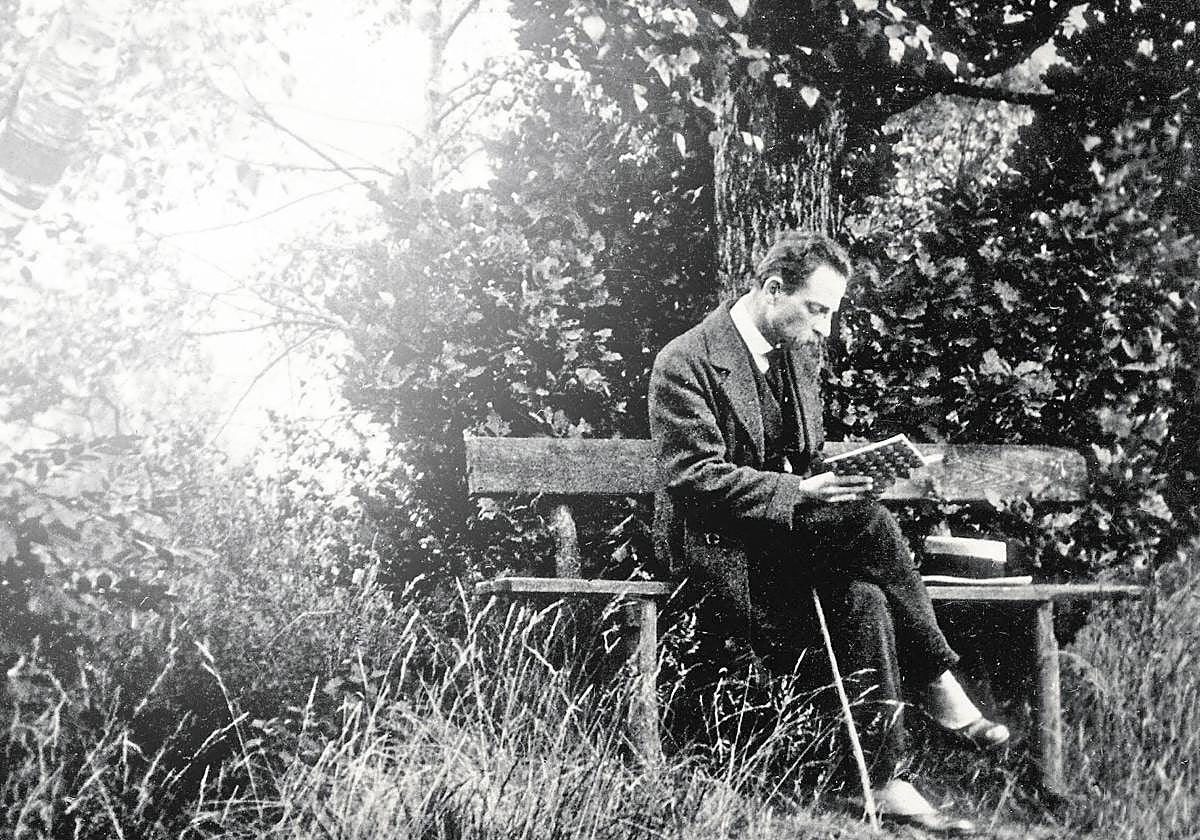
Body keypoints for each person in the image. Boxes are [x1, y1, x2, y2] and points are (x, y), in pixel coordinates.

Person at [648, 230, 1007, 836]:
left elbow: (800, 460)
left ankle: (881, 783)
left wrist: (838, 479)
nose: (826, 328)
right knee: (870, 523)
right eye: (817, 309)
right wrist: (800, 493)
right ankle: (937, 679)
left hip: (785, 544)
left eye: (831, 313)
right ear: (771, 290)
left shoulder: (795, 358)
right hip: (717, 550)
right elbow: (691, 479)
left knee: (865, 600)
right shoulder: (685, 360)